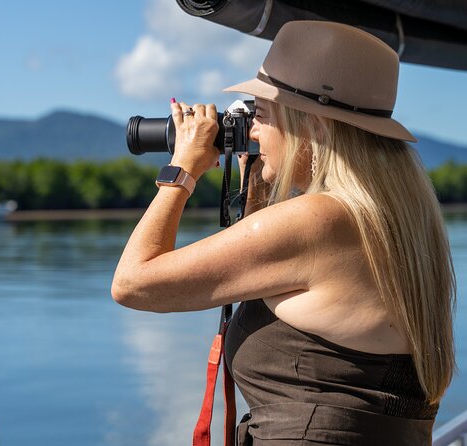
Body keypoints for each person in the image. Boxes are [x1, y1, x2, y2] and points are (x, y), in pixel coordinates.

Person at [111, 20, 455, 445]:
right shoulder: (399, 221)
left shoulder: (318, 220)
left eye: (262, 116)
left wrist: (182, 168)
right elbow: (279, 284)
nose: (252, 132)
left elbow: (133, 283)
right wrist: (255, 194)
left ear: (310, 125)